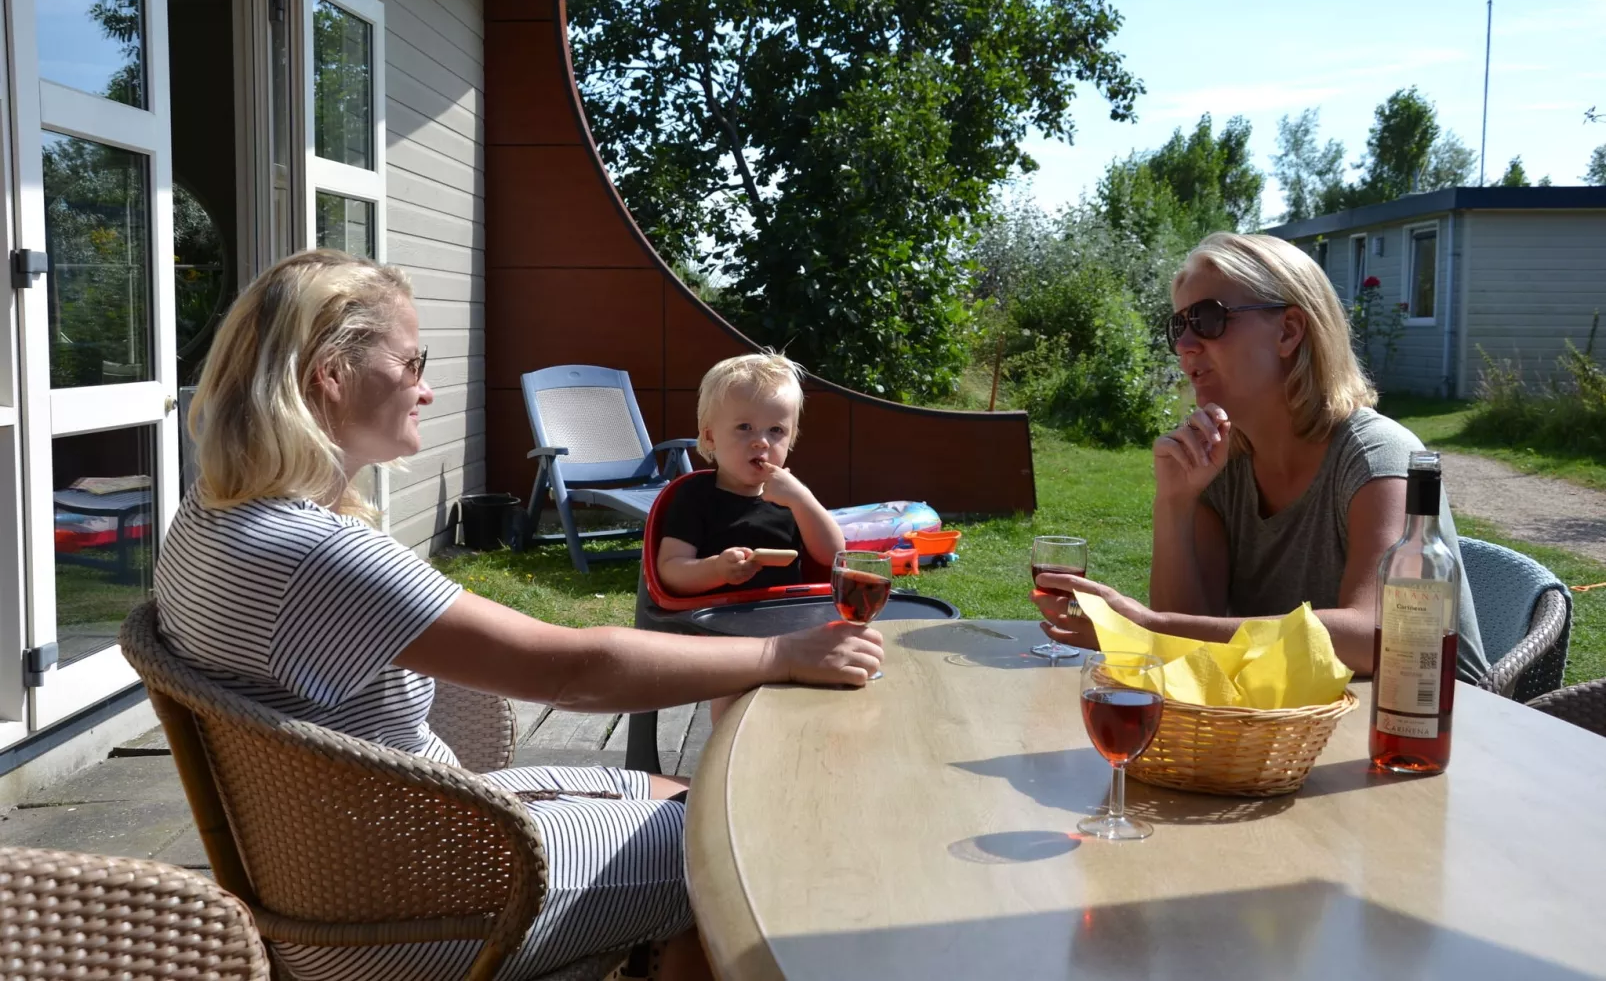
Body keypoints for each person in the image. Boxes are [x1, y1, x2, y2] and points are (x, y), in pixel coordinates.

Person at [154, 250, 883, 981]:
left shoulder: (212, 520)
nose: (429, 390)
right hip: (413, 913)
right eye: (412, 364)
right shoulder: (312, 554)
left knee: (689, 797)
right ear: (331, 374)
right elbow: (574, 671)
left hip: (344, 869)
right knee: (739, 839)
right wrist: (782, 656)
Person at [1032, 232, 1488, 682]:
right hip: (1298, 728)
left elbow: (1379, 634)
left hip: (1437, 729)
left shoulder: (1377, 457)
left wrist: (1148, 629)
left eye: (1208, 319)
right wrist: (1174, 502)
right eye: (1178, 325)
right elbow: (1190, 633)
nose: (1184, 344)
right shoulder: (1222, 466)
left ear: (1288, 331)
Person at [656, 353, 845, 595]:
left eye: (776, 430)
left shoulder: (791, 498)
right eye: (744, 427)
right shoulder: (695, 495)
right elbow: (670, 571)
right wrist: (716, 570)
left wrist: (801, 499)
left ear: (791, 440)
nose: (762, 442)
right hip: (711, 619)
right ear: (710, 437)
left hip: (786, 617)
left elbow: (834, 556)